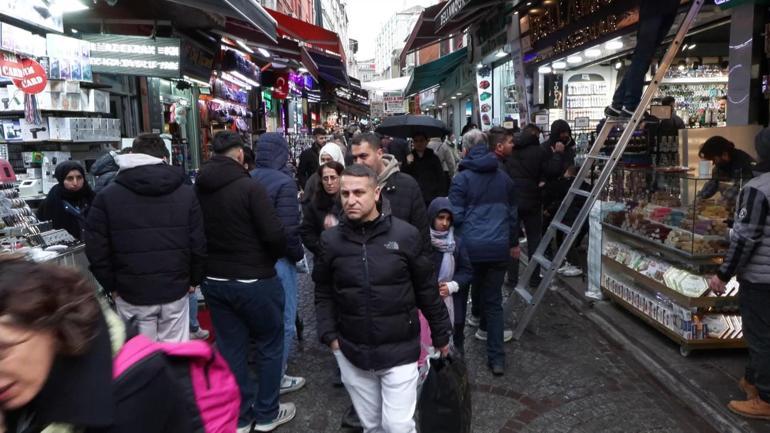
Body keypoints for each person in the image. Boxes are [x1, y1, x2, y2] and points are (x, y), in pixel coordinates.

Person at [313, 164, 452, 433]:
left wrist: (441, 334)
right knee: (373, 426)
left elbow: (426, 289)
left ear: (376, 193)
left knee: (397, 426)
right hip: (352, 351)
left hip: (400, 349)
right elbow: (323, 291)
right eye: (345, 194)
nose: (350, 200)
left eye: (358, 192)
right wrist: (331, 337)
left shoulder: (405, 236)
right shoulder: (331, 242)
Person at [0, 256, 193, 433]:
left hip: (137, 291)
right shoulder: (30, 386)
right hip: (168, 286)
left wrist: (113, 284)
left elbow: (100, 247)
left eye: (2, 352)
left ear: (50, 327)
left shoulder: (134, 385)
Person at [195, 131, 294, 432]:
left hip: (214, 279)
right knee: (268, 343)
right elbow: (275, 235)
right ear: (240, 155)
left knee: (231, 348)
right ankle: (265, 413)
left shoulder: (198, 187)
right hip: (254, 279)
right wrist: (270, 257)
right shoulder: (249, 188)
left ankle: (239, 416)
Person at [85, 133, 206, 343]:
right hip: (174, 288)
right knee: (175, 356)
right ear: (164, 157)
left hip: (131, 291)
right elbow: (198, 241)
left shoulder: (107, 196)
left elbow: (96, 248)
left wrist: (111, 285)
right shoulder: (186, 193)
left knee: (141, 359)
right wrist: (194, 279)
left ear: (132, 154)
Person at [450, 129, 519, 376]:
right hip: (498, 248)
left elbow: (454, 216)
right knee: (494, 303)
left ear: (466, 150)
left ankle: (456, 355)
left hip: (469, 249)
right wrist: (512, 242)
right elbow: (512, 216)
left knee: (460, 301)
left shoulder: (461, 179)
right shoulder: (503, 178)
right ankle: (497, 359)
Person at [708, 165, 770, 419]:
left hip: (762, 279)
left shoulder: (758, 188)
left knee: (761, 338)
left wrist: (723, 274)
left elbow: (745, 239)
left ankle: (765, 399)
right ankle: (751, 379)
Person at [250, 132, 306, 396]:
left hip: (253, 262)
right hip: (280, 261)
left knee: (262, 320)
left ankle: (263, 369)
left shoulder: (247, 178)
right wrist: (297, 256)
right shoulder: (284, 182)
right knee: (284, 319)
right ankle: (277, 375)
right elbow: (288, 230)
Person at [350, 132, 430, 249]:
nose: (358, 163)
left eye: (363, 156)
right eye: (354, 158)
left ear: (379, 154)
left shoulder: (408, 185)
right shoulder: (349, 186)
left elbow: (422, 233)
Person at [604, 0, 681, 118]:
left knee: (641, 57)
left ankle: (619, 104)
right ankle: (629, 105)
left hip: (654, 8)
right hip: (658, 8)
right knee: (642, 57)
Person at [505, 129, 561, 287]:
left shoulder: (511, 151)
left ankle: (512, 279)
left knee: (512, 240)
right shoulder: (539, 151)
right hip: (533, 200)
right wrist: (557, 155)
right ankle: (534, 278)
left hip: (513, 200)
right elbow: (552, 171)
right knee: (534, 239)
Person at [427, 197, 473, 354]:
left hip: (453, 301)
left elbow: (467, 271)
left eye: (448, 219)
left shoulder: (457, 244)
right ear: (432, 217)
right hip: (427, 302)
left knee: (456, 343)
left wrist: (451, 286)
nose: (444, 223)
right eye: (440, 218)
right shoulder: (421, 242)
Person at [37, 161, 94, 241]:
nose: (75, 183)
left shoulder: (92, 197)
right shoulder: (51, 202)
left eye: (79, 177)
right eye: (70, 178)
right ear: (61, 179)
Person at [300, 161, 344, 258]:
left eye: (333, 178)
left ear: (341, 178)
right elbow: (306, 231)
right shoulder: (315, 203)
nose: (329, 183)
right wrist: (320, 247)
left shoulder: (350, 201)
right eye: (325, 179)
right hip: (324, 257)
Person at [697, 136, 755, 201]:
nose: (713, 163)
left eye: (714, 159)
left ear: (724, 154)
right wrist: (699, 198)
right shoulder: (721, 164)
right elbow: (712, 184)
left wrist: (719, 203)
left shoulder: (743, 163)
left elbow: (738, 190)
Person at [402, 133, 447, 206]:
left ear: (426, 141)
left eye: (421, 140)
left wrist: (440, 196)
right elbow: (404, 177)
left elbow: (441, 178)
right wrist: (408, 164)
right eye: (416, 141)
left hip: (431, 197)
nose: (419, 143)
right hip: (414, 197)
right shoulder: (409, 158)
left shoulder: (433, 158)